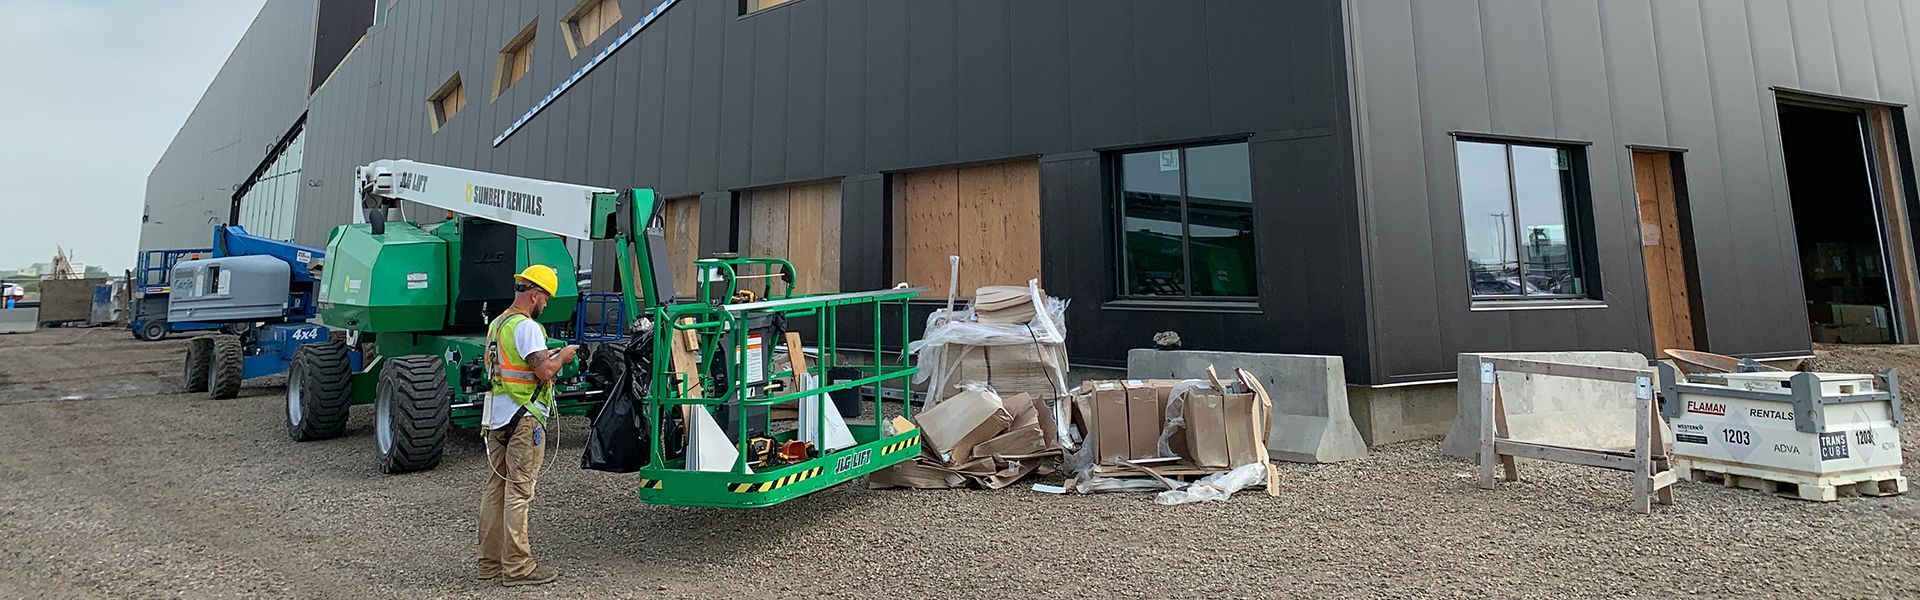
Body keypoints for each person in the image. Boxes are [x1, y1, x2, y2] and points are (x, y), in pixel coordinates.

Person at [477, 264, 577, 587]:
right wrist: (563, 357)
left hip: (497, 418)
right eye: (545, 299)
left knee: (496, 489)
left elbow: (514, 363)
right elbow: (544, 371)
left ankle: (489, 563)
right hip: (524, 419)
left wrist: (548, 355)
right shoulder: (527, 327)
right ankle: (518, 567)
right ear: (534, 296)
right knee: (519, 491)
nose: (545, 305)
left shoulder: (497, 325)